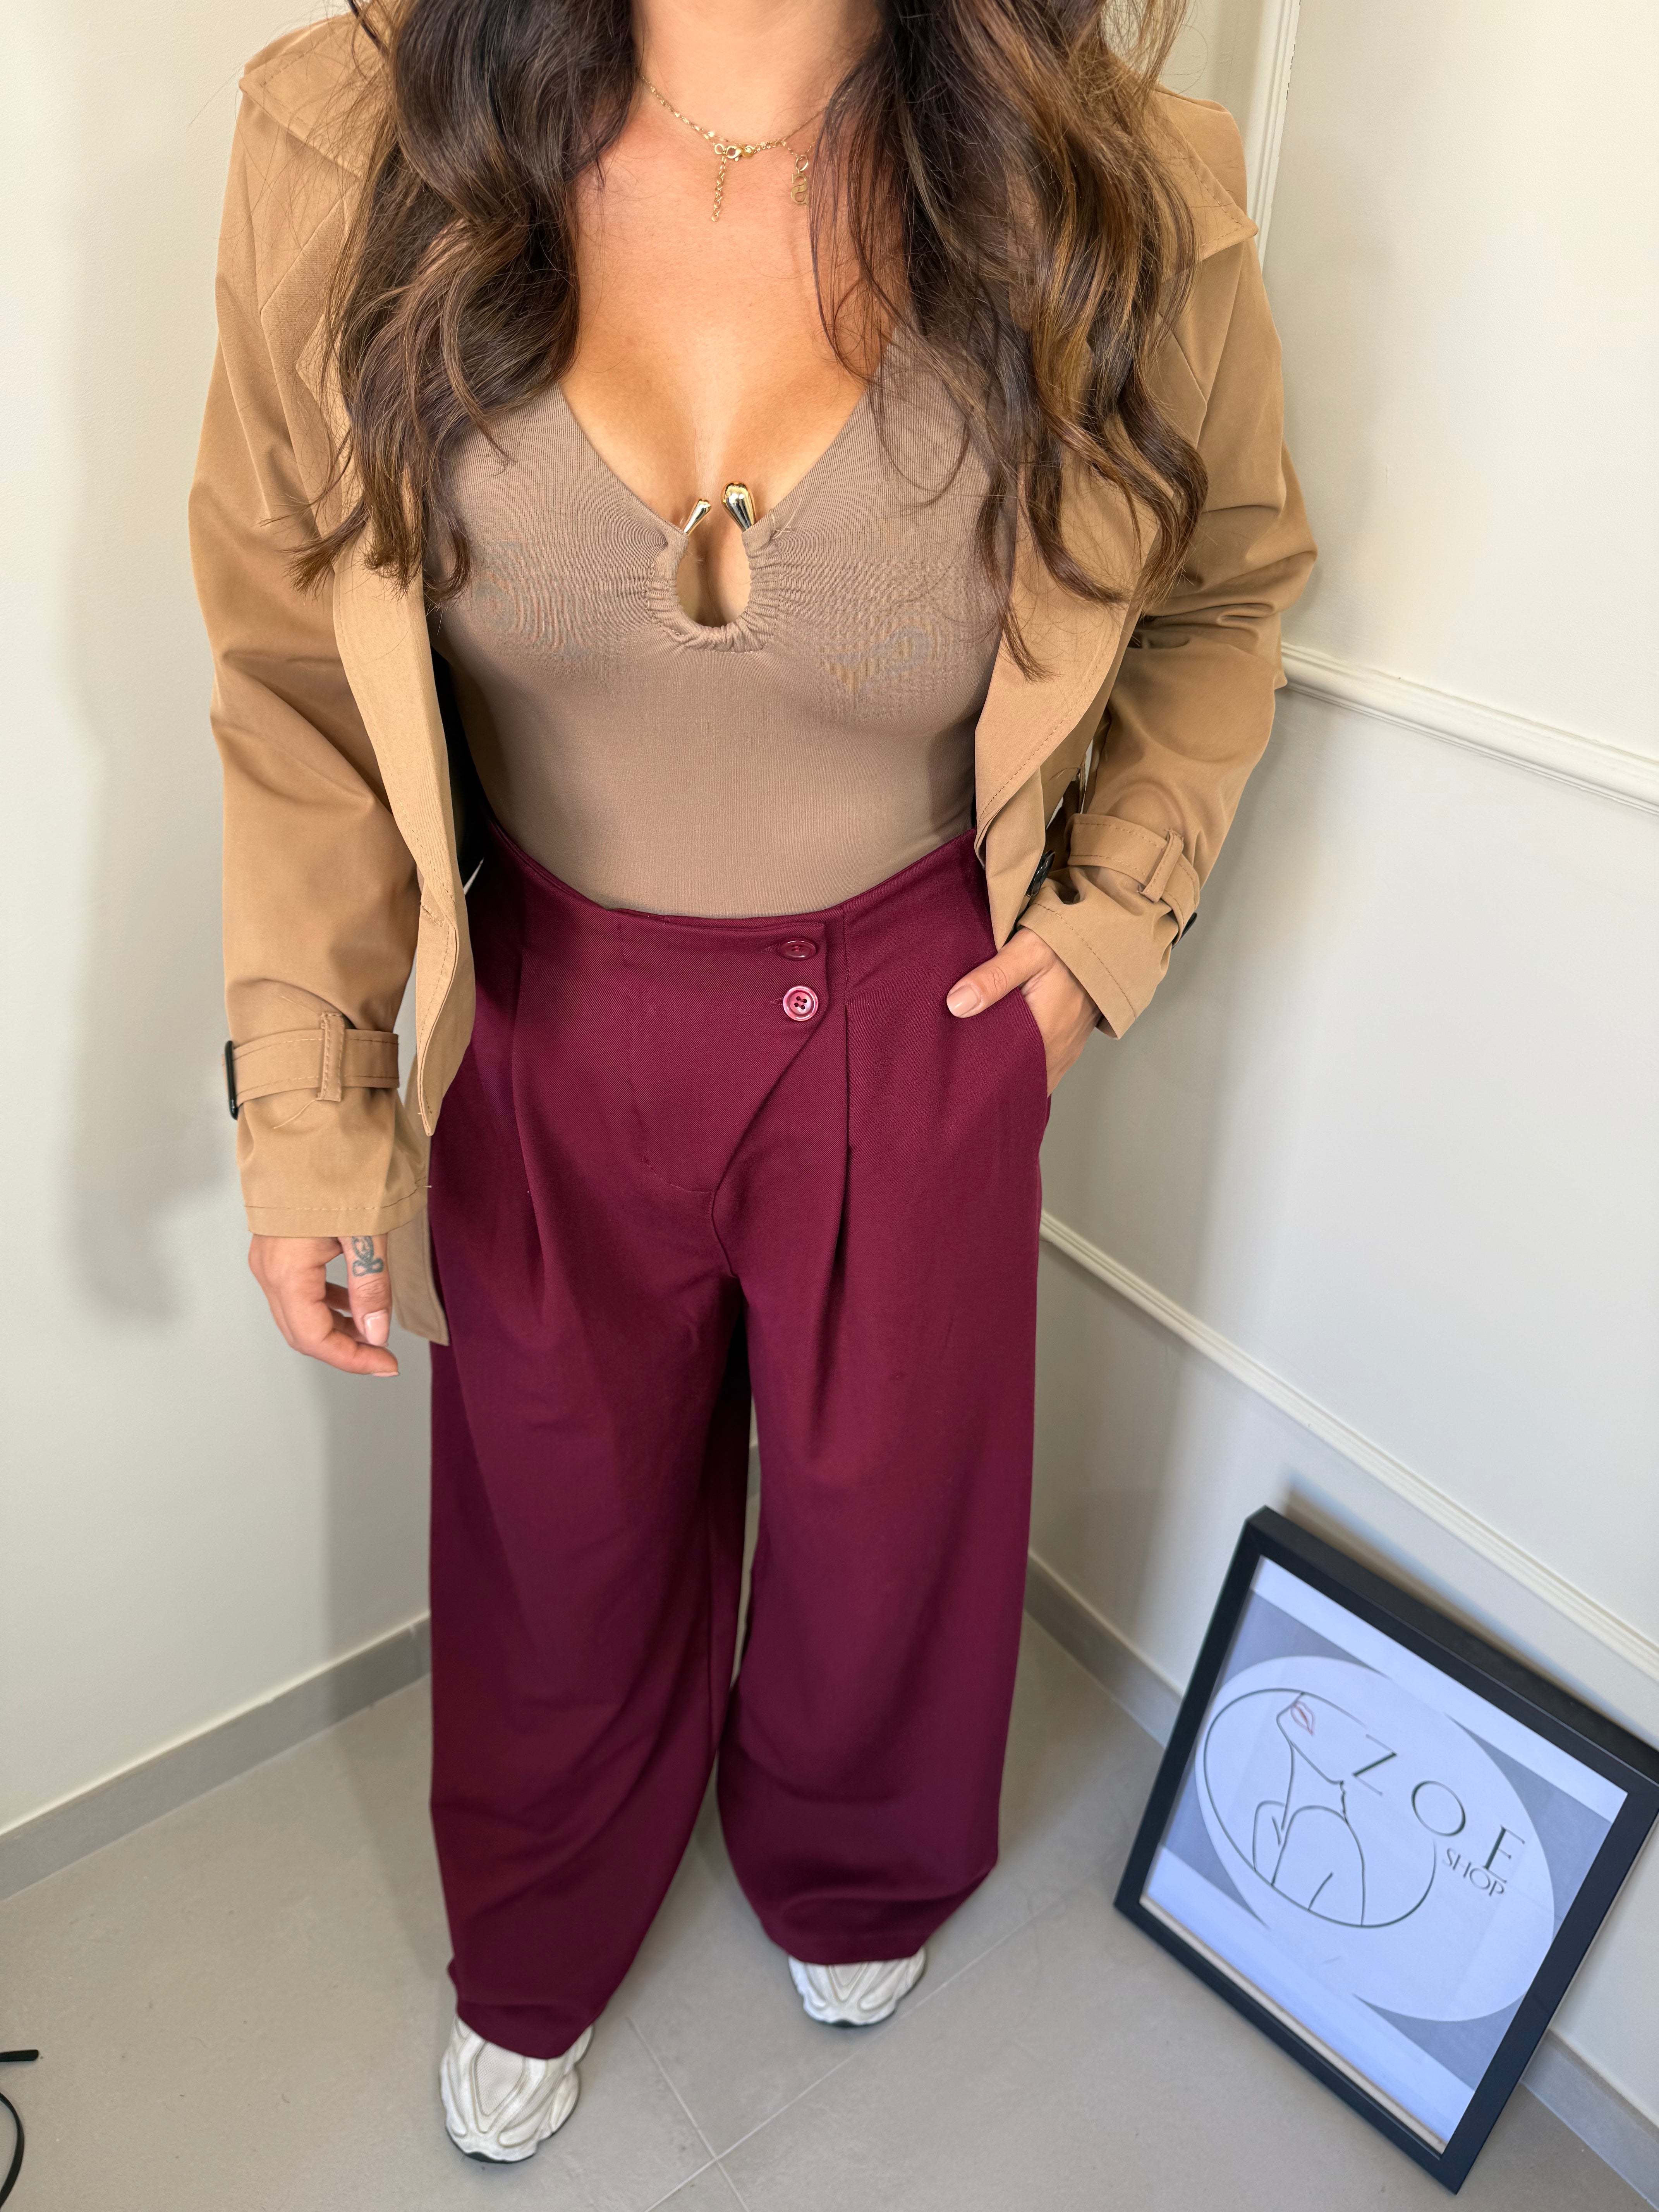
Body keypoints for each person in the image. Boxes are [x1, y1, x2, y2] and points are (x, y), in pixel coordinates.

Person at [190, 0, 1313, 2165]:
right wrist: (313, 1103)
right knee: (551, 1522)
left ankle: (859, 1863)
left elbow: (1224, 589)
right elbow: (288, 666)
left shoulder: (1123, 187)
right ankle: (541, 1929)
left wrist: (1103, 936)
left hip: (922, 1003)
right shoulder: (346, 141)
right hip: (542, 994)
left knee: (897, 1513)